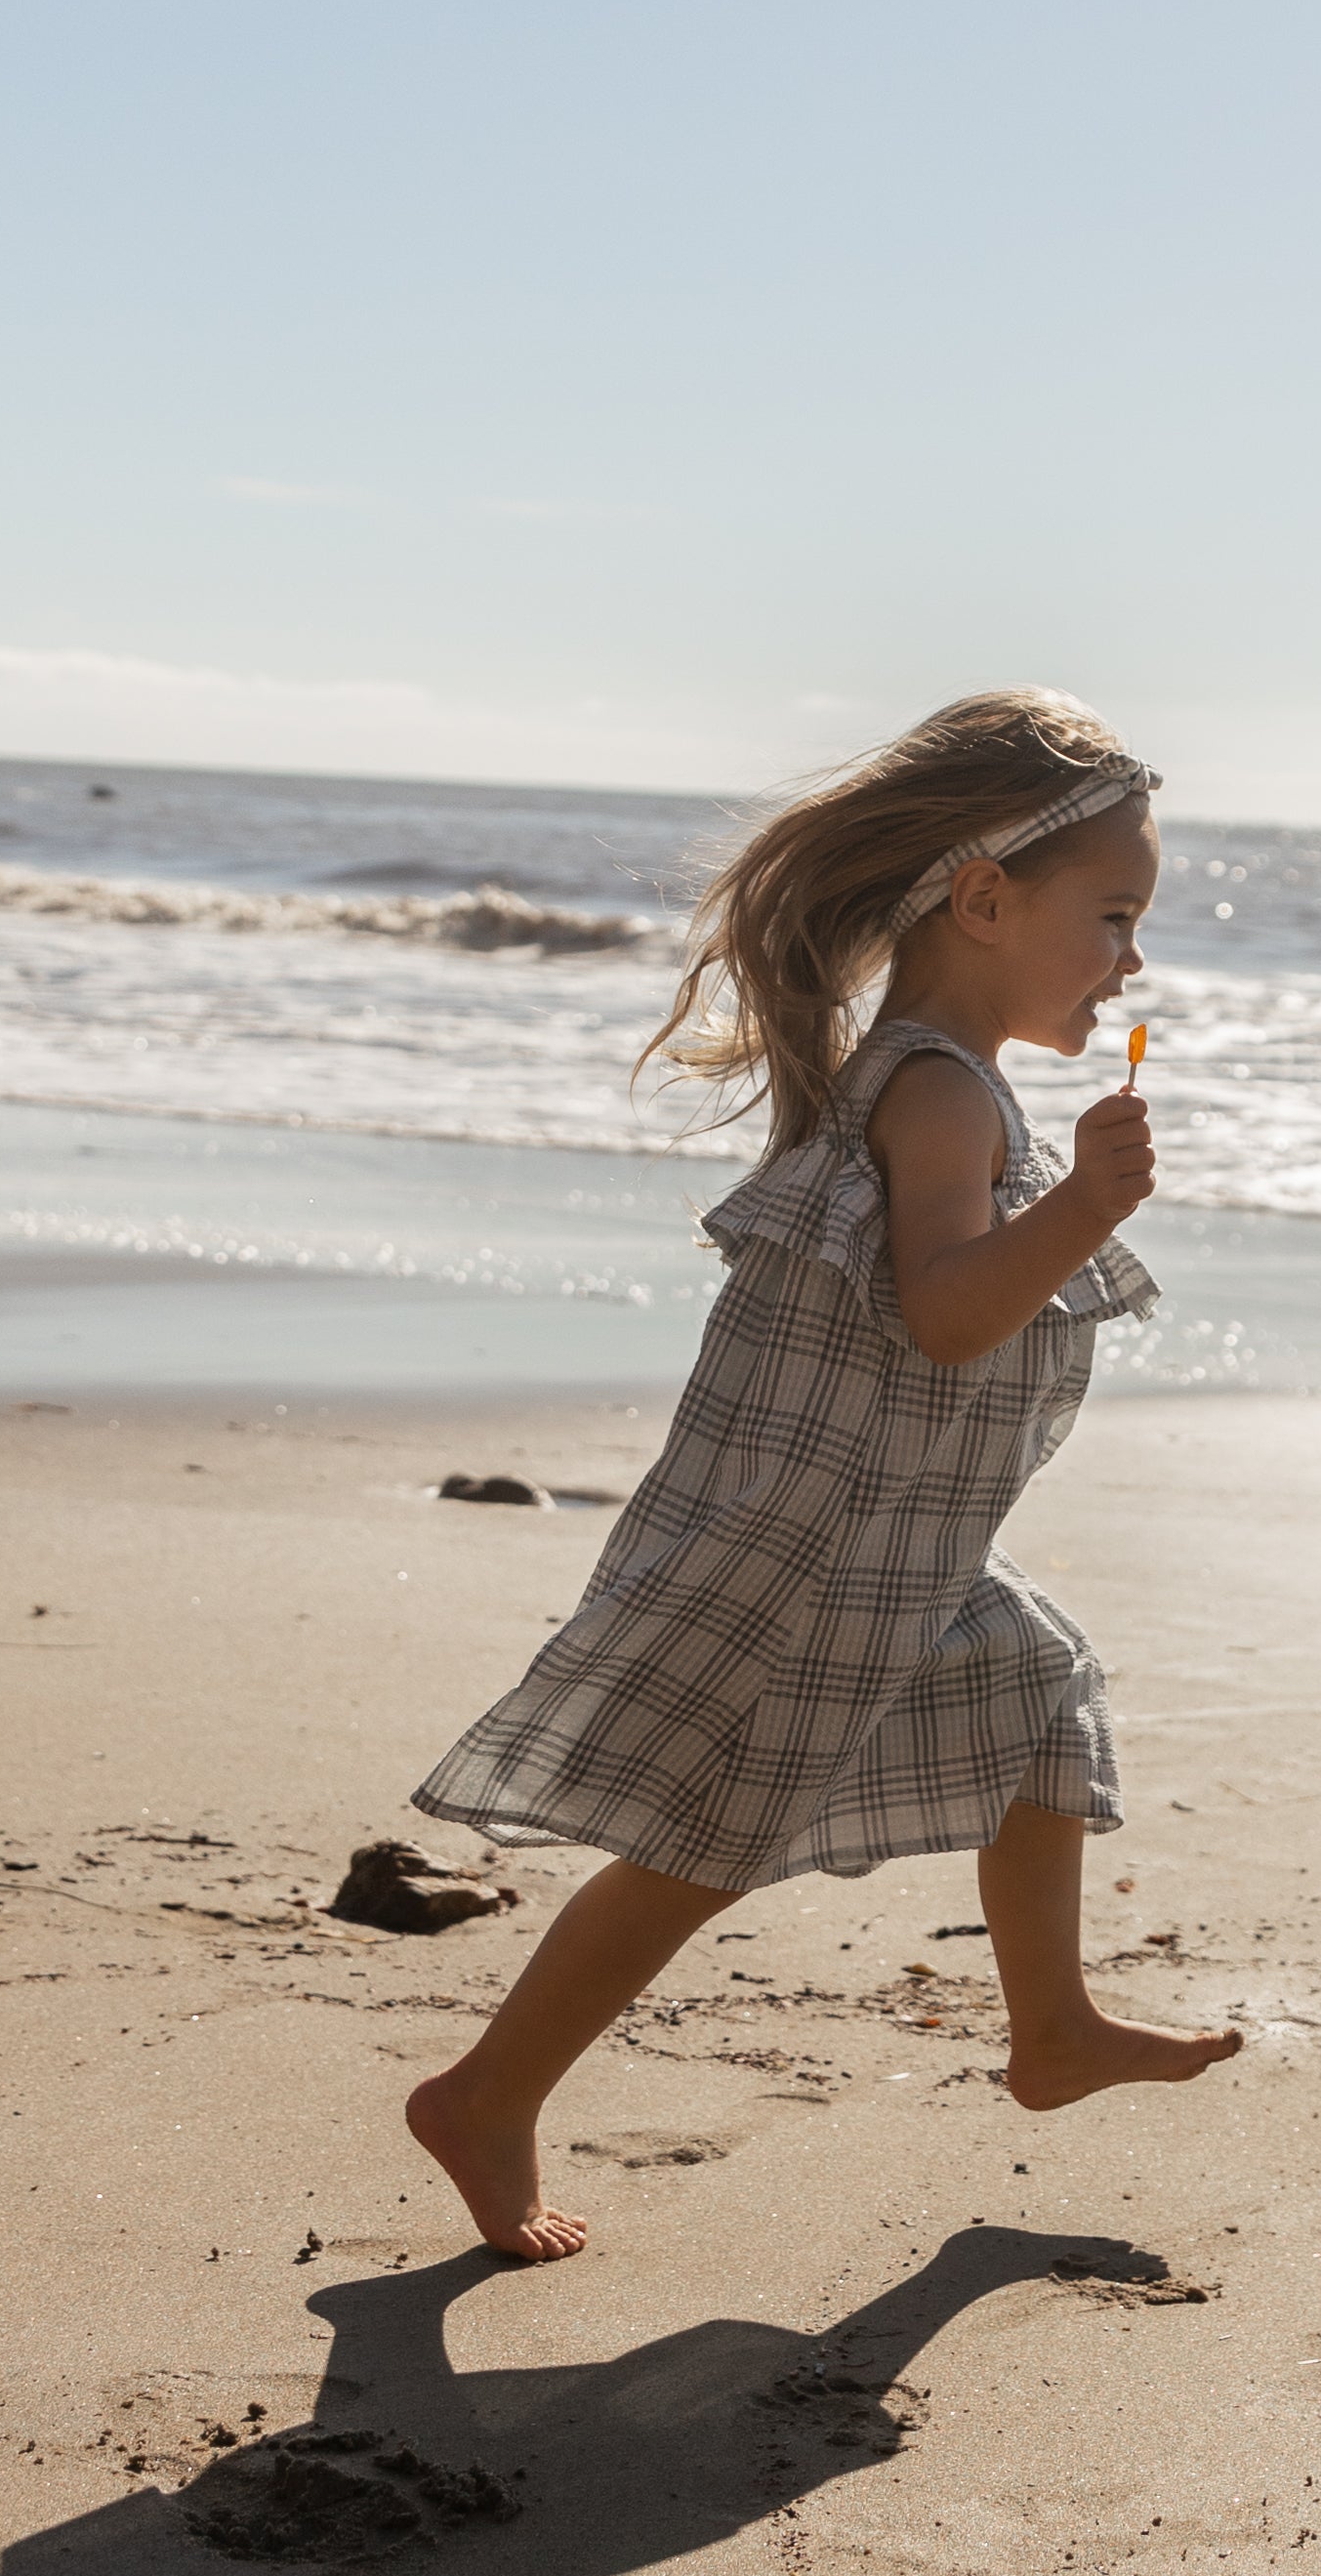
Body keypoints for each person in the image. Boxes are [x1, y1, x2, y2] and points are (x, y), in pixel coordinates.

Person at [403, 688, 1241, 2259]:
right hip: (827, 1547)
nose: (1132, 961)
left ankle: (1050, 2031)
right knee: (704, 1846)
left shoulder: (935, 1076)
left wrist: (1058, 1206)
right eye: (1113, 918)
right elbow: (945, 1317)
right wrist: (1089, 1212)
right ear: (985, 900)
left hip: (892, 1542)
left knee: (1041, 1690)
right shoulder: (934, 1090)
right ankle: (488, 2094)